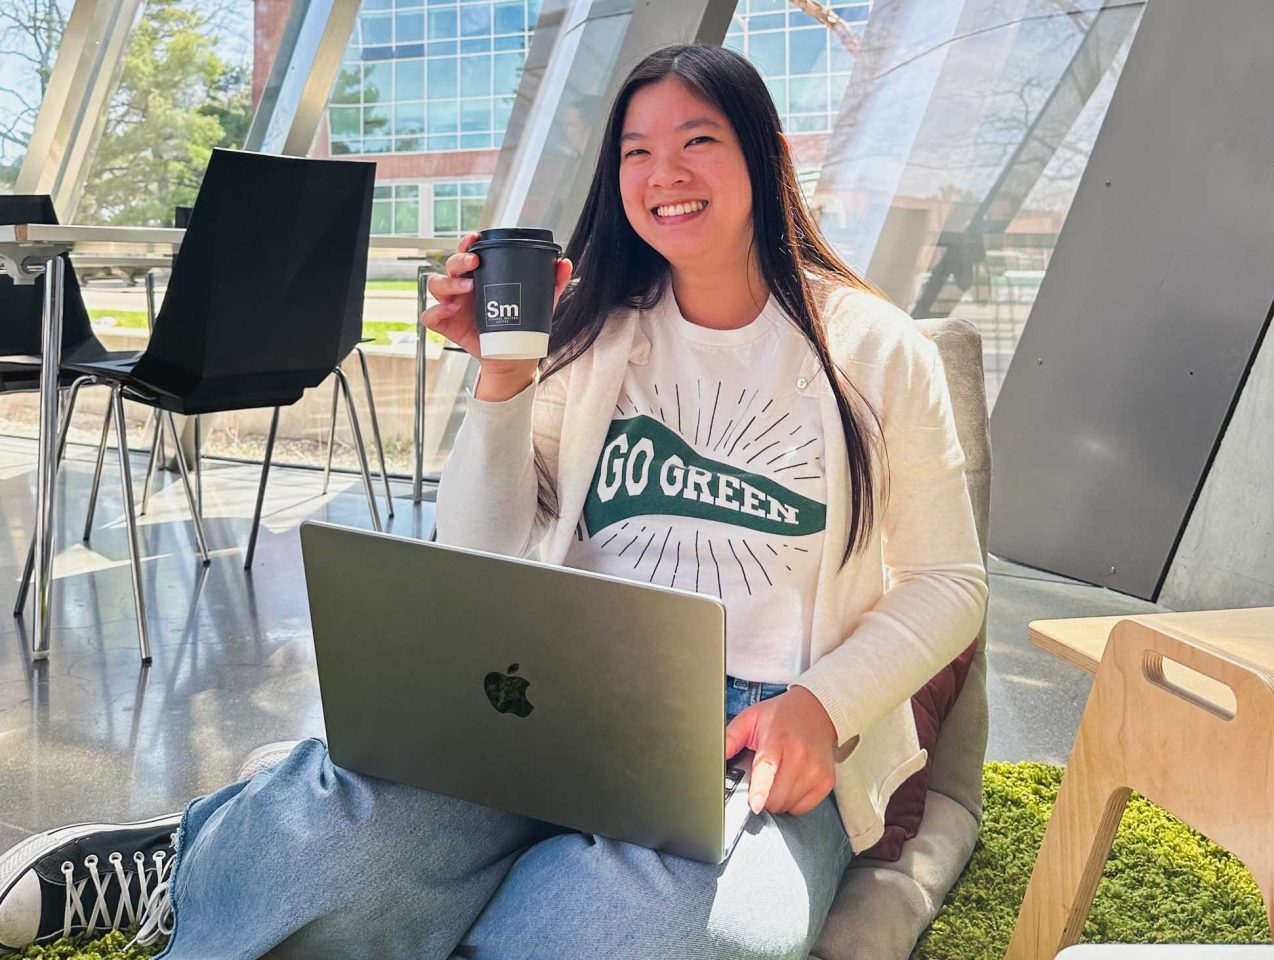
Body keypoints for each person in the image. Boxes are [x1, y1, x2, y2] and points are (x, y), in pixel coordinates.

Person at [0, 43, 986, 960]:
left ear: (766, 156)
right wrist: (501, 380)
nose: (663, 174)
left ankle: (444, 883)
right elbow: (479, 548)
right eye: (635, 151)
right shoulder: (593, 330)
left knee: (670, 932)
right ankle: (197, 854)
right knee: (322, 858)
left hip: (758, 730)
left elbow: (950, 583)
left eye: (698, 142)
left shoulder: (872, 349)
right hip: (557, 686)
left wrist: (822, 705)